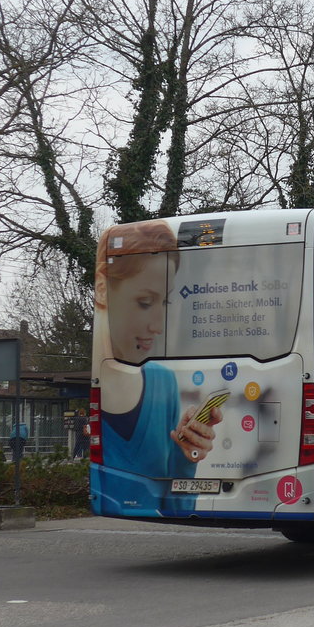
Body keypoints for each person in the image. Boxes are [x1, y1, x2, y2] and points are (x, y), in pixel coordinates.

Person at [93, 219, 223, 514]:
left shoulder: (163, 383)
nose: (158, 327)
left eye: (164, 303)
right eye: (144, 302)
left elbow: (175, 510)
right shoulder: (97, 396)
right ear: (102, 289)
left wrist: (186, 456)